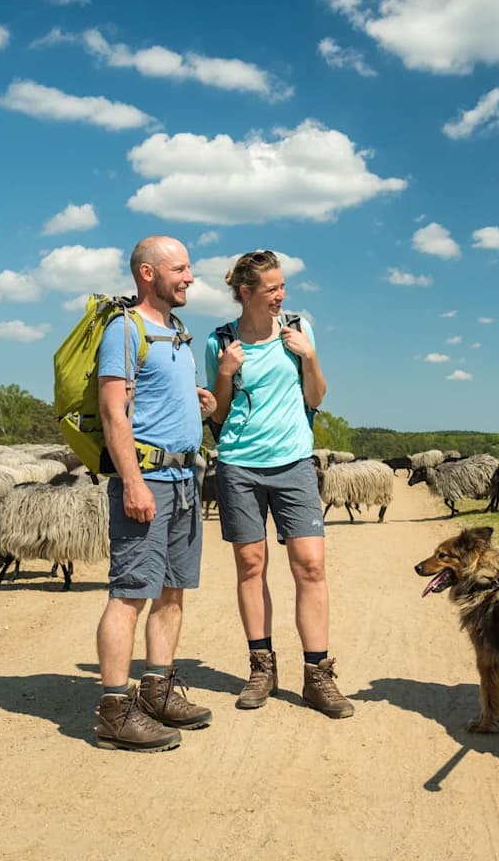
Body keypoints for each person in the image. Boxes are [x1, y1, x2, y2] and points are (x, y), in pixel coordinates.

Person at [206, 249, 353, 719]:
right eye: (272, 288)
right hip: (239, 465)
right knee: (251, 566)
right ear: (245, 292)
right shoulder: (220, 340)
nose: (281, 295)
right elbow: (219, 414)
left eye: (282, 286)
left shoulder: (298, 328)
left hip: (293, 464)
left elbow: (316, 396)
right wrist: (225, 373)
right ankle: (261, 669)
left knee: (311, 566)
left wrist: (310, 357)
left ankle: (318, 676)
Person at [92, 235, 218, 753]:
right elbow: (112, 412)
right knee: (130, 595)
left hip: (185, 482)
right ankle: (114, 711)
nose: (190, 277)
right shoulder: (125, 330)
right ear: (148, 273)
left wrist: (197, 403)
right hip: (148, 482)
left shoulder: (177, 333)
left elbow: (154, 399)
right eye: (180, 269)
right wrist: (133, 482)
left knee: (171, 592)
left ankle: (158, 691)